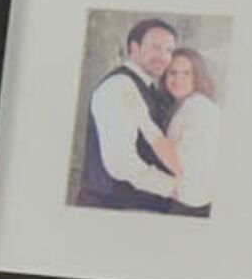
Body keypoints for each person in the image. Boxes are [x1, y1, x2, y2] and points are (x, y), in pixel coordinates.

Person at [73, 17, 183, 212]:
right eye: (156, 48)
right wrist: (174, 188)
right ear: (134, 48)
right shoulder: (118, 87)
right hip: (110, 209)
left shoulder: (149, 88)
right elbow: (121, 164)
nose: (164, 57)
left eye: (169, 50)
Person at [142, 45, 221, 213]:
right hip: (186, 198)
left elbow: (181, 164)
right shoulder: (184, 105)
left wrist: (142, 121)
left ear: (198, 76)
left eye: (187, 73)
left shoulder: (200, 109)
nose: (178, 80)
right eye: (172, 73)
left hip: (192, 203)